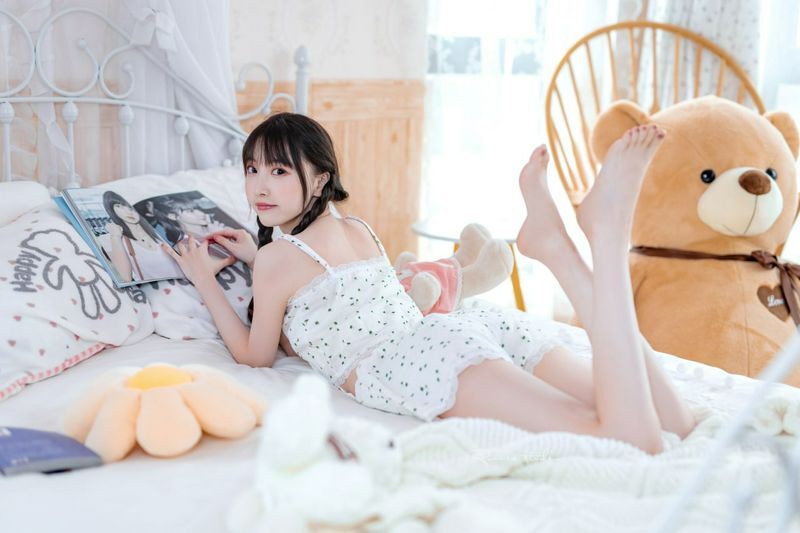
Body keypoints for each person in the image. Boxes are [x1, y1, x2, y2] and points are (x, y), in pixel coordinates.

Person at [163, 113, 696, 454]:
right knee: (676, 419)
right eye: (251, 169)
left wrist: (205, 279)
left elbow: (256, 356)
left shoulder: (278, 260)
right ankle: (566, 251)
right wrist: (257, 255)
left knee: (633, 439)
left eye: (279, 171)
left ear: (321, 178)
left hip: (418, 358)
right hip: (458, 327)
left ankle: (602, 240)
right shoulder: (357, 229)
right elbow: (325, 289)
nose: (259, 185)